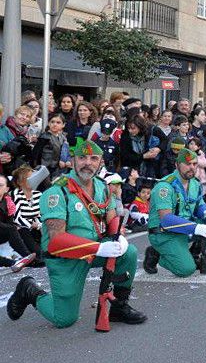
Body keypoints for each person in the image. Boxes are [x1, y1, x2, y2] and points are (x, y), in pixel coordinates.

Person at [6, 139, 146, 327]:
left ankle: (119, 307)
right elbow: (56, 241)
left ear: (100, 163)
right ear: (72, 161)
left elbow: (111, 215)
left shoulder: (103, 187)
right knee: (64, 319)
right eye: (82, 158)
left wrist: (117, 236)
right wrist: (100, 248)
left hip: (94, 251)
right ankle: (29, 290)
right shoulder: (57, 192)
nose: (87, 162)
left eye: (93, 158)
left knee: (128, 253)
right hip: (65, 258)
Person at [143, 148, 206, 277]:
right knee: (186, 270)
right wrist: (196, 228)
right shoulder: (165, 187)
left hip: (185, 228)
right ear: (177, 165)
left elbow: (200, 205)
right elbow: (166, 219)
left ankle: (193, 254)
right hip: (164, 233)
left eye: (194, 164)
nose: (192, 168)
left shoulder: (195, 183)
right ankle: (157, 254)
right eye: (187, 164)